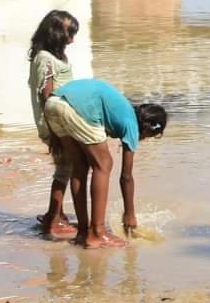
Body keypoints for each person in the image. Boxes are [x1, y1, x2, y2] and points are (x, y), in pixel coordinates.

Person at [40, 77, 168, 249]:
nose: (142, 139)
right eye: (147, 137)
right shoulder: (131, 123)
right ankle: (97, 233)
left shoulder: (121, 111)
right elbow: (126, 176)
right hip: (76, 107)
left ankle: (83, 232)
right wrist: (129, 214)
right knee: (104, 164)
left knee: (80, 166)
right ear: (147, 127)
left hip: (53, 103)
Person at [27, 10, 81, 240]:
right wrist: (55, 134)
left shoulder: (56, 58)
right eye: (70, 33)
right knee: (65, 168)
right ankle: (53, 218)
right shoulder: (45, 60)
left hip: (63, 121)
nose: (73, 39)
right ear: (57, 33)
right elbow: (46, 98)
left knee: (66, 168)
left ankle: (54, 214)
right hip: (56, 124)